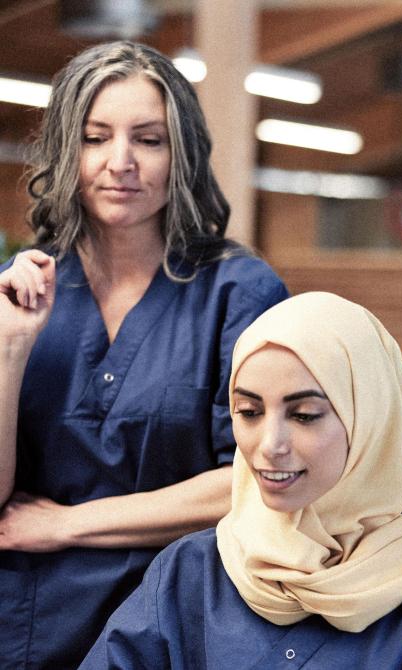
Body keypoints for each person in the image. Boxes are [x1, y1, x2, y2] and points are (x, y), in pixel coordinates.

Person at [0, 41, 288, 668]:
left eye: (149, 139)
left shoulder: (240, 292)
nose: (120, 162)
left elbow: (257, 479)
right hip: (28, 628)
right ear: (64, 152)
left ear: (179, 154)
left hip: (177, 621)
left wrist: (66, 524)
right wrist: (10, 352)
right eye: (96, 137)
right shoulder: (22, 292)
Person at [80, 292, 402, 668]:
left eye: (304, 415)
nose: (270, 444)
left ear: (371, 419)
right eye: (248, 412)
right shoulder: (190, 571)